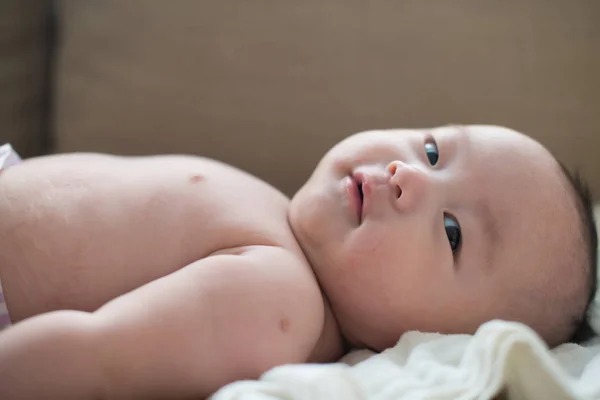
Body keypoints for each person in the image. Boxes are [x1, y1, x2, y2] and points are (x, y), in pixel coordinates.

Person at [0, 125, 596, 399]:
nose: (408, 174)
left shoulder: (279, 304)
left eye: (451, 231)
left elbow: (99, 356)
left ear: (433, 336)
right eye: (435, 151)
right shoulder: (282, 226)